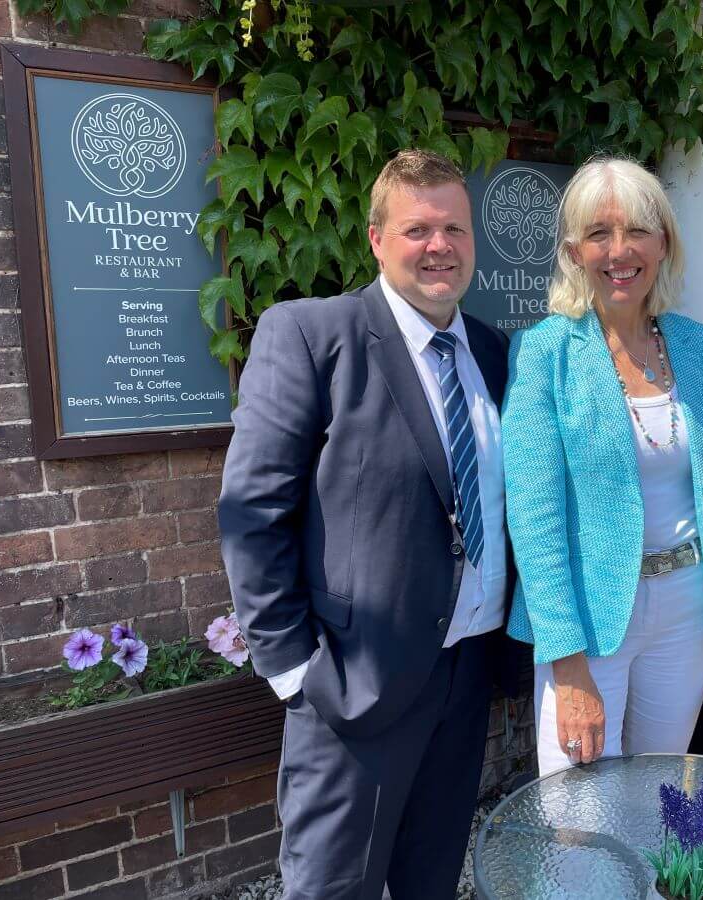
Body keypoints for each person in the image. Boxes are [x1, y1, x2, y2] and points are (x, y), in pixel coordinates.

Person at [218, 150, 517, 900]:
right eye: (418, 228)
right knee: (332, 888)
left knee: (432, 879)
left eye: (454, 226)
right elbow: (254, 511)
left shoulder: (491, 349)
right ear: (378, 240)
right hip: (357, 682)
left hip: (466, 673)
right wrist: (294, 669)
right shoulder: (313, 336)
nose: (439, 245)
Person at [502, 157, 703, 777]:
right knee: (576, 806)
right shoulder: (546, 353)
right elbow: (535, 521)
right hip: (590, 622)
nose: (621, 251)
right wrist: (564, 659)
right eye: (599, 234)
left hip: (691, 614)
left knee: (657, 791)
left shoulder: (698, 348)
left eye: (638, 230)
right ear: (573, 250)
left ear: (664, 242)